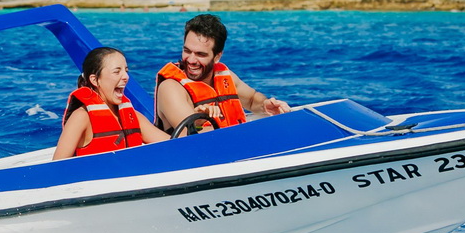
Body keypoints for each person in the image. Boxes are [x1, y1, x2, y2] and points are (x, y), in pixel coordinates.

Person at [154, 14, 290, 135]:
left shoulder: (225, 76)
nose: (191, 60)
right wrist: (200, 119)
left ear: (217, 56)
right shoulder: (171, 88)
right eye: (187, 51)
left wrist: (264, 105)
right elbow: (188, 137)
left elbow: (252, 99)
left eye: (201, 54)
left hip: (233, 146)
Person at [54, 47, 169, 160]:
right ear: (95, 80)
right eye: (117, 72)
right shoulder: (81, 117)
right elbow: (57, 167)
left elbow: (171, 143)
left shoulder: (132, 116)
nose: (126, 77)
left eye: (126, 71)